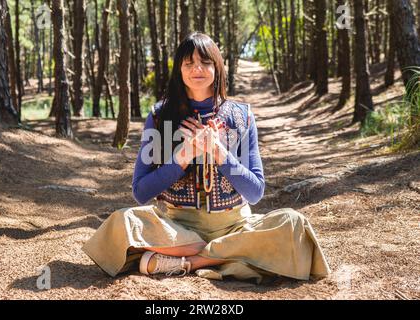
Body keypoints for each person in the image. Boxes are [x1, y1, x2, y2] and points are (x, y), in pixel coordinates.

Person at [82, 32, 331, 283]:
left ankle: (189, 263)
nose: (197, 69)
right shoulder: (159, 117)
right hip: (176, 229)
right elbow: (140, 191)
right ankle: (230, 258)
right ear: (179, 69)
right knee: (122, 222)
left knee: (293, 224)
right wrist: (181, 157)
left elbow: (255, 192)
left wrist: (220, 154)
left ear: (217, 66)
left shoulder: (242, 116)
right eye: (188, 63)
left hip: (235, 227)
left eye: (205, 62)